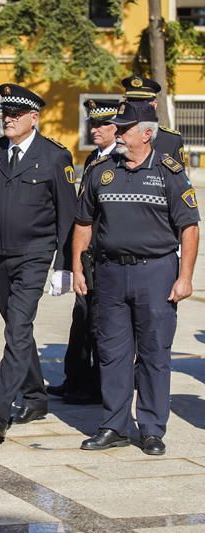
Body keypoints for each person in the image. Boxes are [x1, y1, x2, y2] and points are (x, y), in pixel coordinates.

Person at [74, 101, 199, 456]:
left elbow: (189, 227)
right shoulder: (101, 171)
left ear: (147, 134)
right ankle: (113, 424)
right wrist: (78, 268)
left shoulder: (169, 172)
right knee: (112, 352)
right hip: (110, 273)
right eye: (118, 128)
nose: (118, 134)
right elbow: (83, 222)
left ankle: (151, 429)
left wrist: (185, 277)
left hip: (156, 273)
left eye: (125, 129)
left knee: (154, 353)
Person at [0, 84, 77, 442]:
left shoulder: (54, 156)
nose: (7, 120)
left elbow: (67, 216)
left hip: (34, 255)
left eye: (15, 115)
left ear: (33, 118)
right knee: (18, 329)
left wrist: (64, 264)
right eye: (4, 114)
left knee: (17, 329)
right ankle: (38, 398)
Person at [47, 98, 120, 405]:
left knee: (98, 323)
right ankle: (75, 378)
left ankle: (97, 386)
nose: (96, 128)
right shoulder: (93, 159)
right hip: (87, 253)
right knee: (81, 320)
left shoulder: (119, 160)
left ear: (117, 127)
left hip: (106, 252)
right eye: (93, 123)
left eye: (103, 124)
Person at [121, 75, 186, 166]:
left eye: (142, 102)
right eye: (131, 101)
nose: (136, 107)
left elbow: (178, 177)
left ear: (154, 105)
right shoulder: (117, 136)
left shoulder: (171, 140)